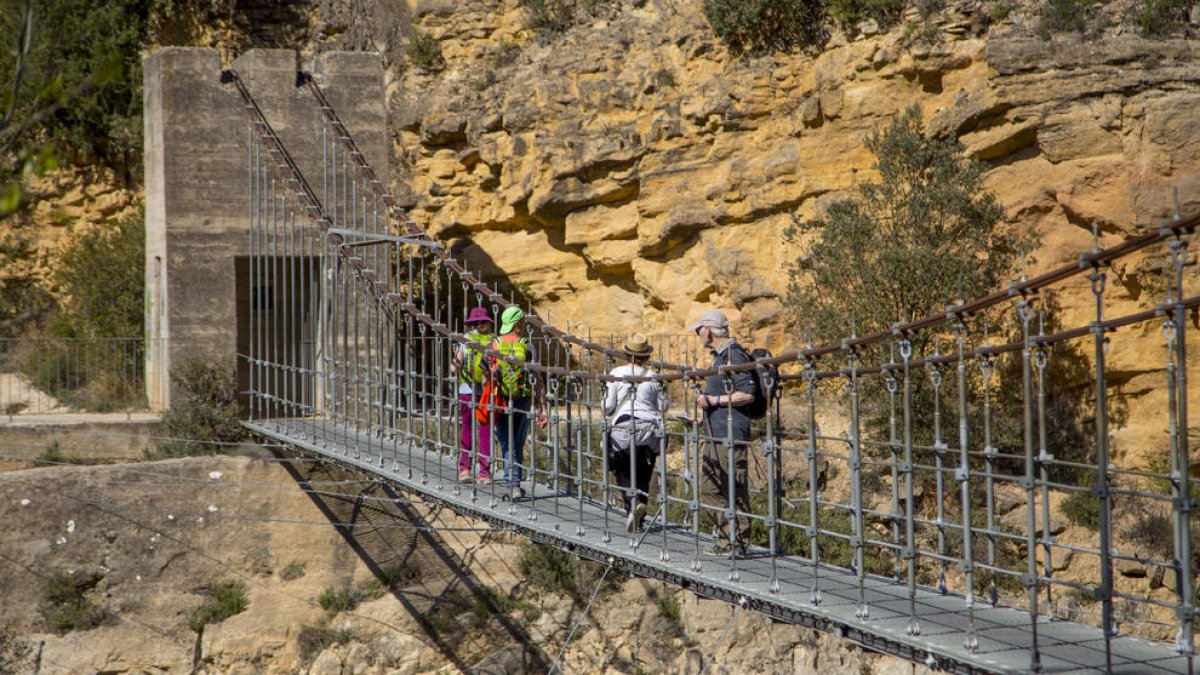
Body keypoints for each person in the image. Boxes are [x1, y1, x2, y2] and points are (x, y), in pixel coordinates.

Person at [689, 309, 756, 558]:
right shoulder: (719, 357)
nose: (697, 334)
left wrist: (712, 400)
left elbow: (747, 394)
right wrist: (700, 417)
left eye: (698, 329)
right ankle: (727, 536)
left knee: (734, 488)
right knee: (708, 488)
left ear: (708, 329)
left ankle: (738, 542)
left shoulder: (734, 355)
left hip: (730, 435)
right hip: (714, 433)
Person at [602, 333, 669, 533]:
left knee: (619, 465)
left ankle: (633, 503)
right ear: (646, 356)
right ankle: (639, 519)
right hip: (649, 429)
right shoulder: (654, 376)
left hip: (624, 427)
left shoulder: (616, 373)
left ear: (626, 354)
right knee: (643, 470)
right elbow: (663, 406)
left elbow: (607, 407)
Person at [489, 306, 547, 499]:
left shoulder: (494, 344)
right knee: (518, 443)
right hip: (522, 400)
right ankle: (515, 482)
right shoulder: (528, 346)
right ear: (518, 324)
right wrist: (542, 407)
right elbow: (537, 378)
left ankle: (511, 484)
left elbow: (485, 377)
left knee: (506, 442)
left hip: (501, 400)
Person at [451, 307, 494, 484]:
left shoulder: (465, 339)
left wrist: (454, 369)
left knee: (467, 429)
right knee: (485, 431)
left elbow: (455, 365)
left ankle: (464, 469)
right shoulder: (493, 340)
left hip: (466, 390)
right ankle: (484, 473)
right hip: (485, 392)